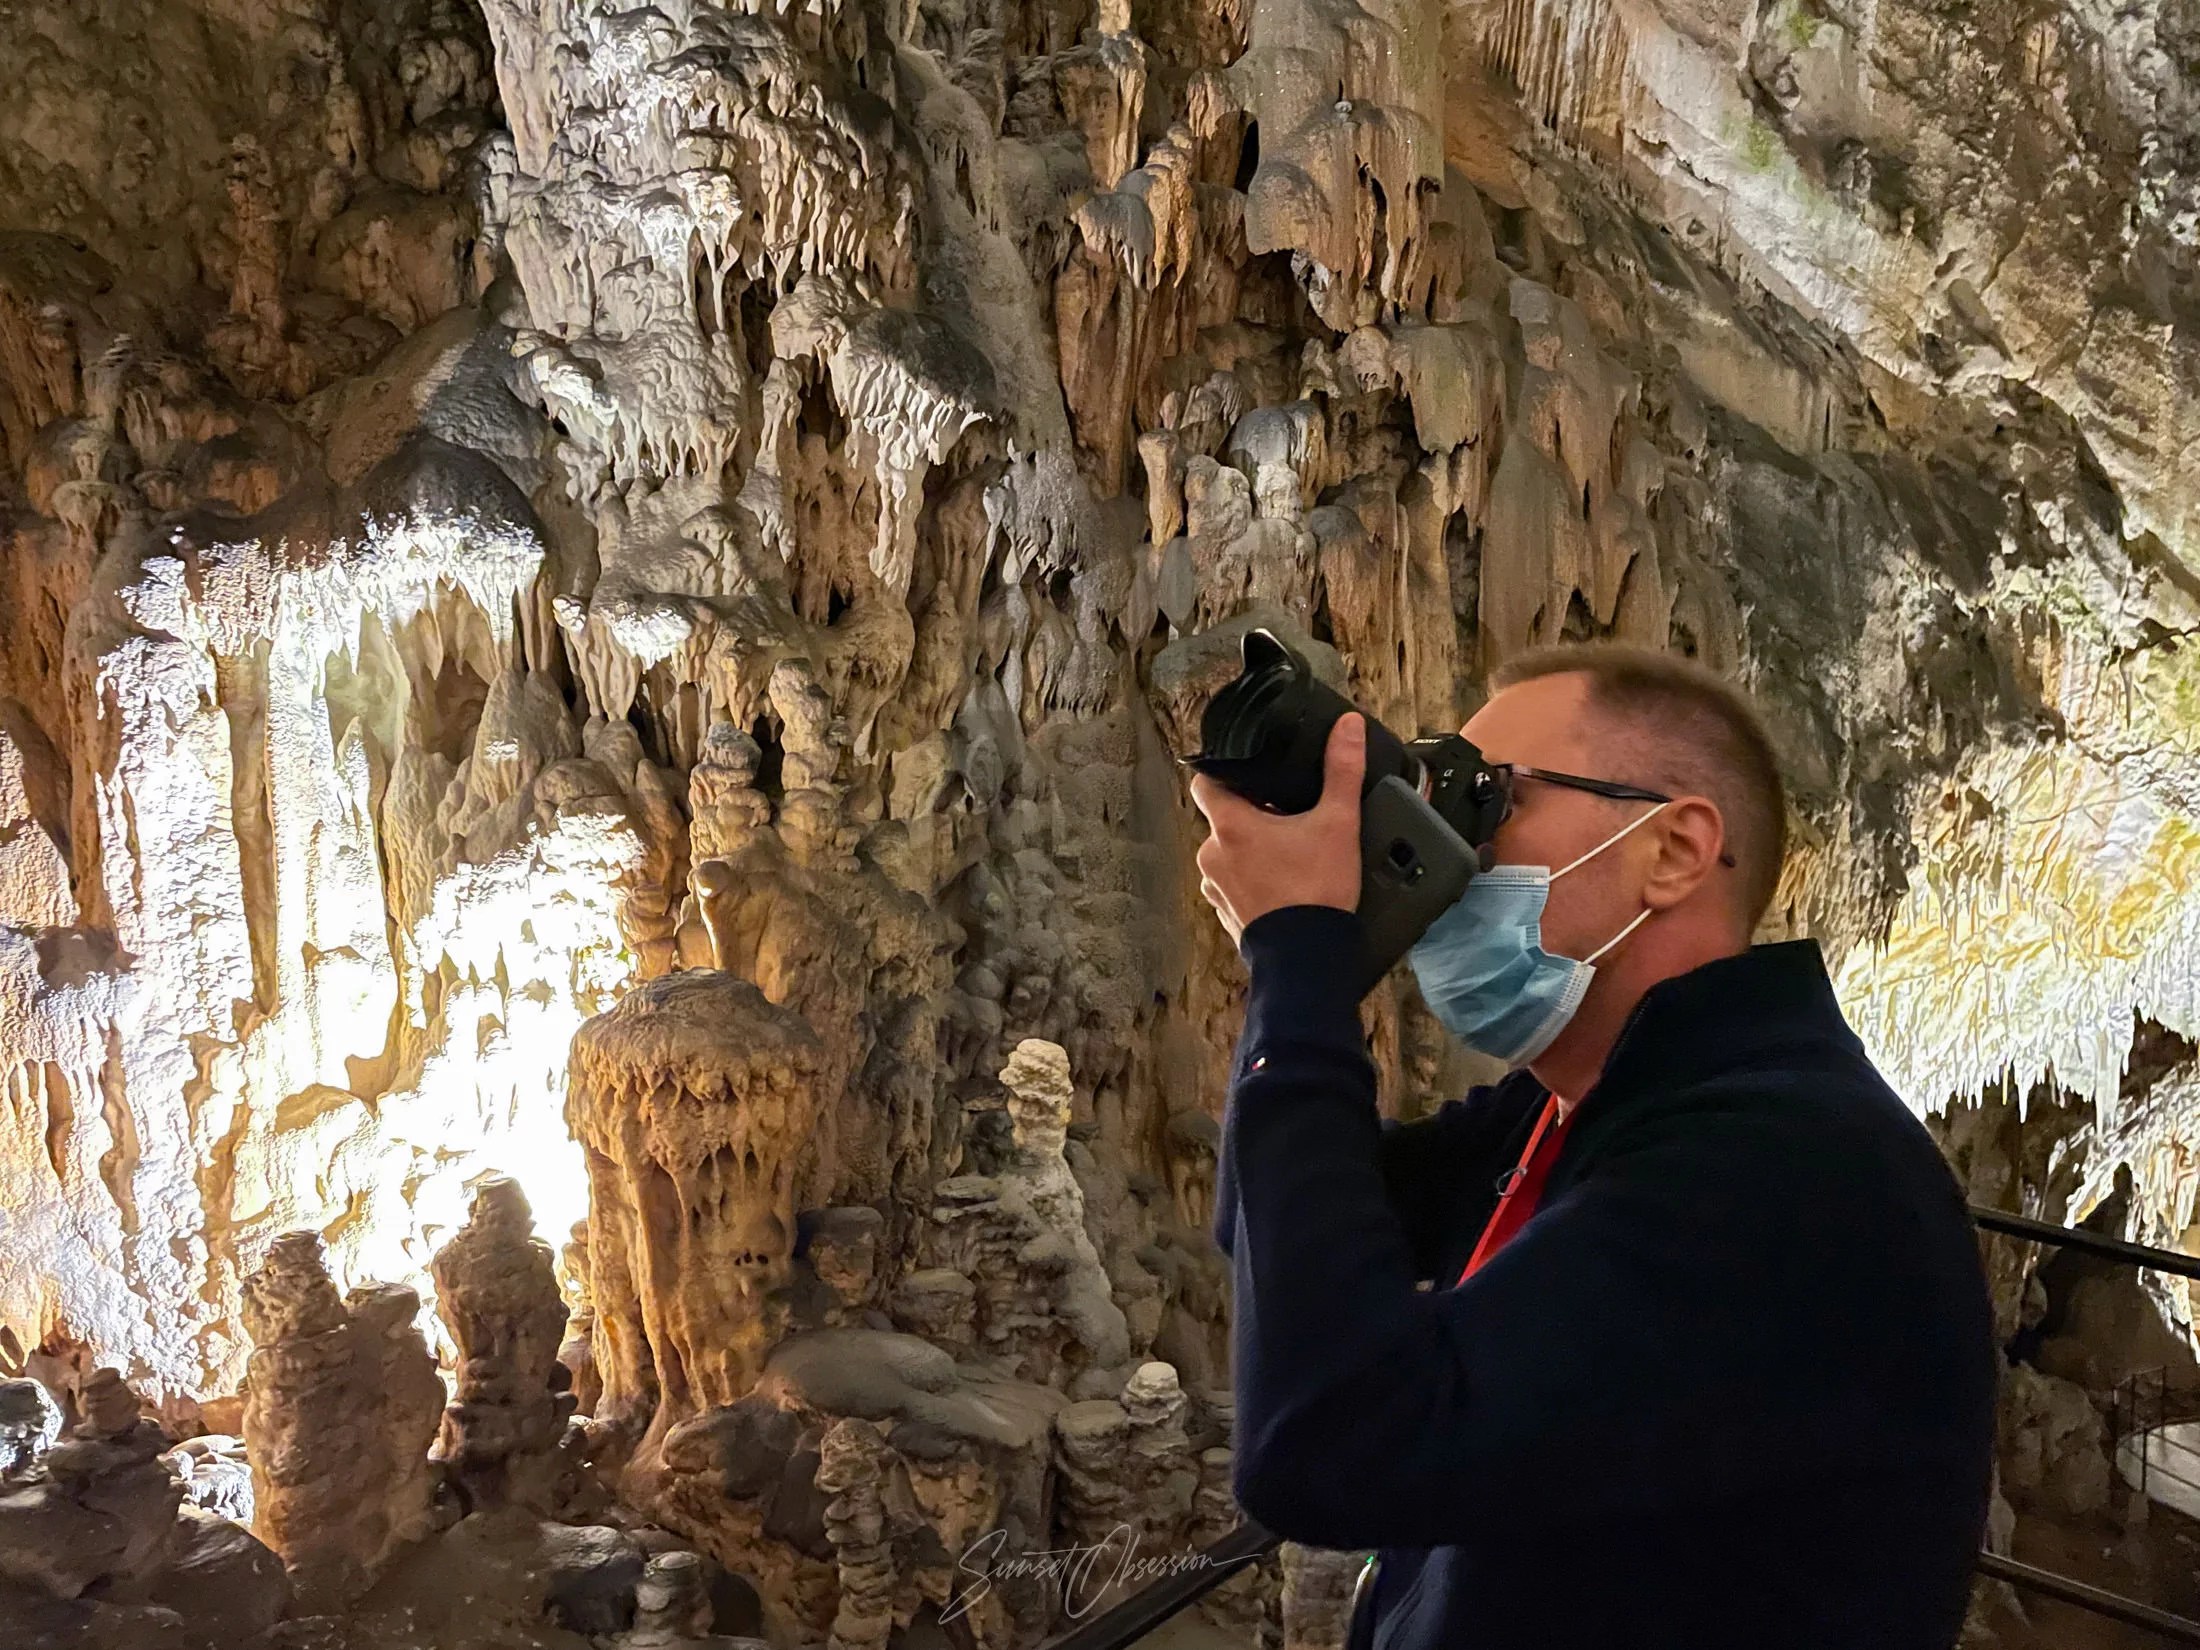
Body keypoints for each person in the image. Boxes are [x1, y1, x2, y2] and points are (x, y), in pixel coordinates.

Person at [1189, 643, 1997, 1650]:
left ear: (1672, 850)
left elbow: (1329, 1445)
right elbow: (1270, 1223)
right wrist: (1313, 950)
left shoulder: (1790, 1166)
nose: (1450, 848)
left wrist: (1298, 958)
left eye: (1488, 800)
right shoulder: (1574, 1106)